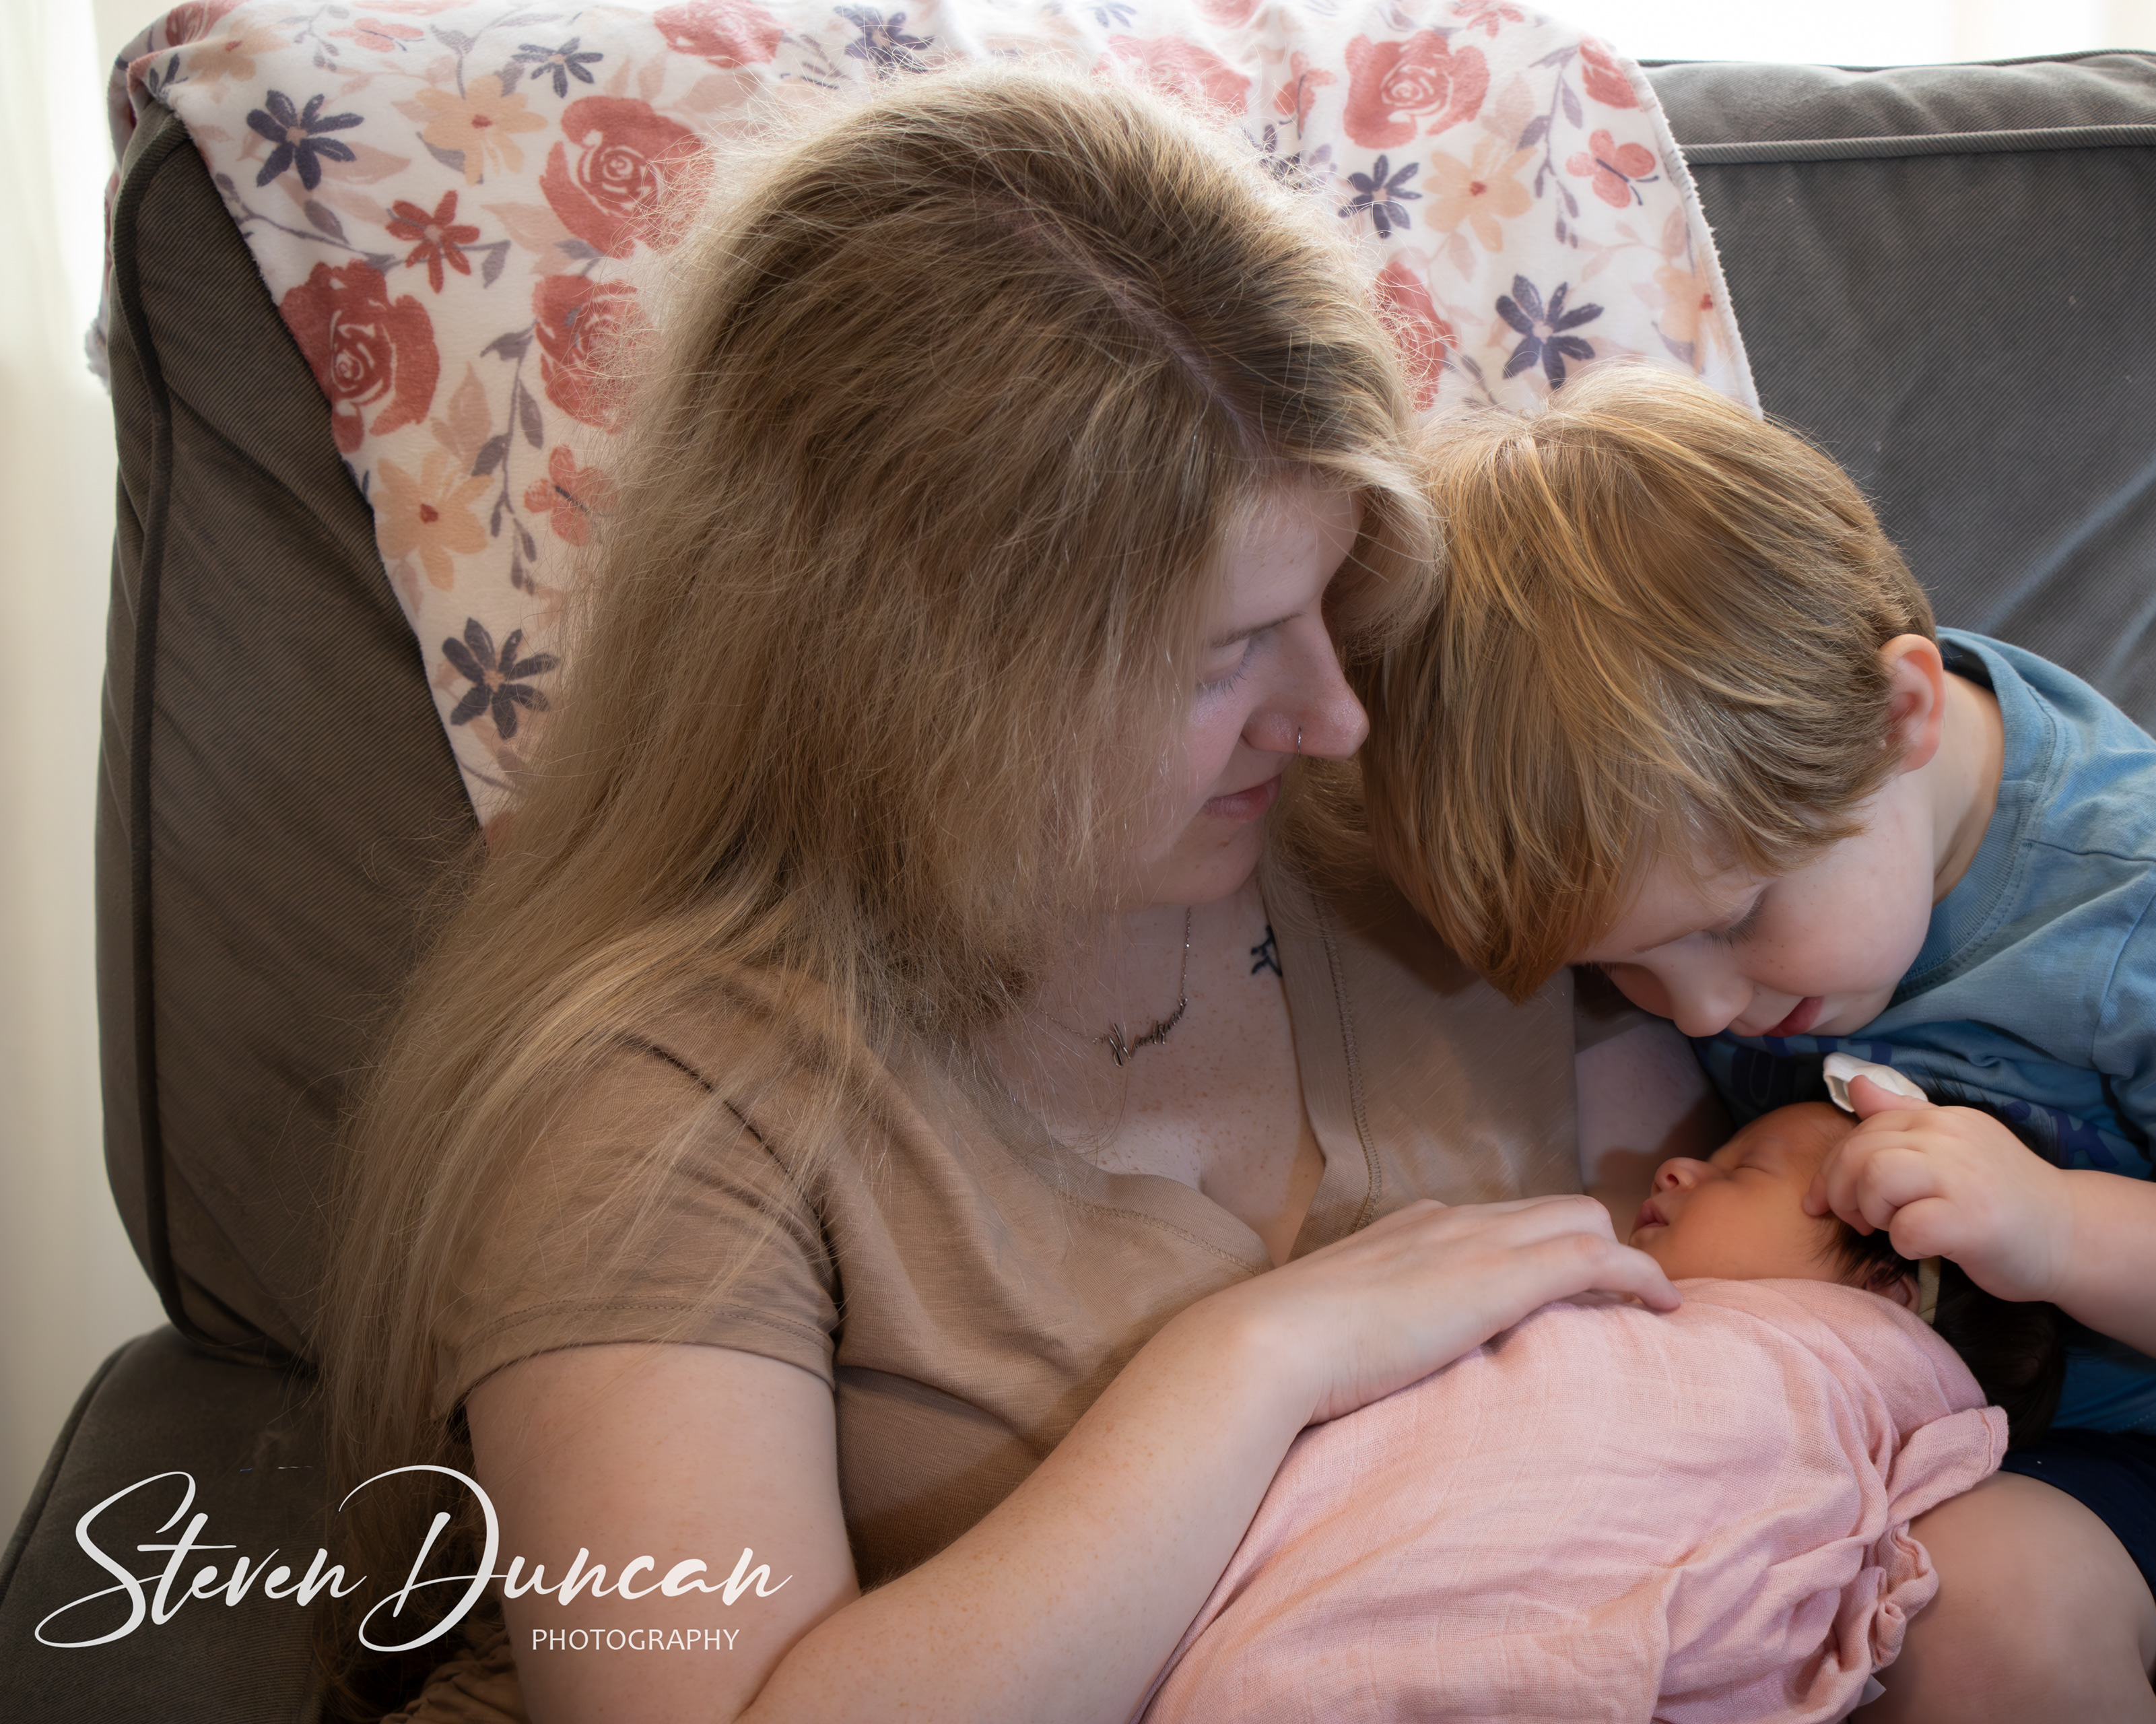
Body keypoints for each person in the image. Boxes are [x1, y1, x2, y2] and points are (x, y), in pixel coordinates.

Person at [318, 67, 1712, 1724]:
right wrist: (1257, 1362)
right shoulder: (664, 1108)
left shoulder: (1426, 823)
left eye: (1328, 594)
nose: (1337, 717)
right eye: (1221, 654)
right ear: (923, 678)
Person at [1348, 362, 2156, 1723]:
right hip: (1780, 1425)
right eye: (1623, 964)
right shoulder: (1706, 844)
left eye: (1735, 921)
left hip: (2112, 1463)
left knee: (1972, 1608)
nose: (1698, 1009)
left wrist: (2057, 1228)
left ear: (1903, 715)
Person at [1146, 1096, 2045, 1724]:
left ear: (1886, 1290)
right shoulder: (1622, 1324)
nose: (1681, 1166)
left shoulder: (1808, 1395)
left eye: (1745, 1169)